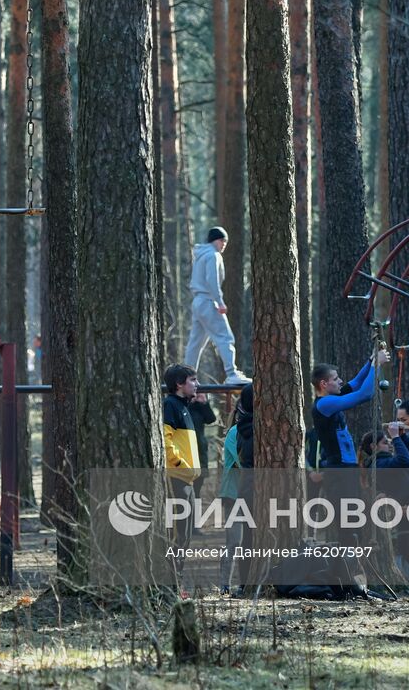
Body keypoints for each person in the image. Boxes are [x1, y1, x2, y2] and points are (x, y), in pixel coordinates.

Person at [307, 344, 391, 599]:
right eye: (335, 379)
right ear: (323, 384)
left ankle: (351, 582)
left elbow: (353, 384)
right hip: (338, 473)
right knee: (348, 527)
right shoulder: (324, 405)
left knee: (353, 526)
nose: (340, 381)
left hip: (347, 471)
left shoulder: (332, 397)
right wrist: (376, 366)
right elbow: (362, 395)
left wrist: (369, 361)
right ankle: (347, 584)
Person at [360, 422, 409, 590]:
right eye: (385, 442)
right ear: (374, 446)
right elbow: (404, 460)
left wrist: (401, 437)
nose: (390, 445)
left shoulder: (389, 462)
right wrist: (396, 437)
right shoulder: (378, 464)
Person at [182, 227, 251, 386]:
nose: (224, 245)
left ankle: (185, 376)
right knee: (225, 337)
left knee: (195, 343)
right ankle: (231, 373)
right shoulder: (213, 255)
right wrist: (219, 301)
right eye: (223, 241)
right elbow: (212, 280)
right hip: (208, 301)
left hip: (198, 302)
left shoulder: (200, 255)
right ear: (216, 240)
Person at [162, 363, 205, 554]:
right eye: (193, 380)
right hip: (177, 478)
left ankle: (177, 580)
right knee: (177, 536)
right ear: (179, 384)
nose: (197, 384)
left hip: (188, 479)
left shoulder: (184, 406)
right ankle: (173, 579)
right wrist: (180, 463)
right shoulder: (170, 405)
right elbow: (164, 438)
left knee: (186, 536)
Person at [218, 384, 253, 593]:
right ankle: (224, 584)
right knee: (235, 542)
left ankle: (246, 583)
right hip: (233, 495)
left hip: (247, 494)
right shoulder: (234, 433)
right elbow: (243, 463)